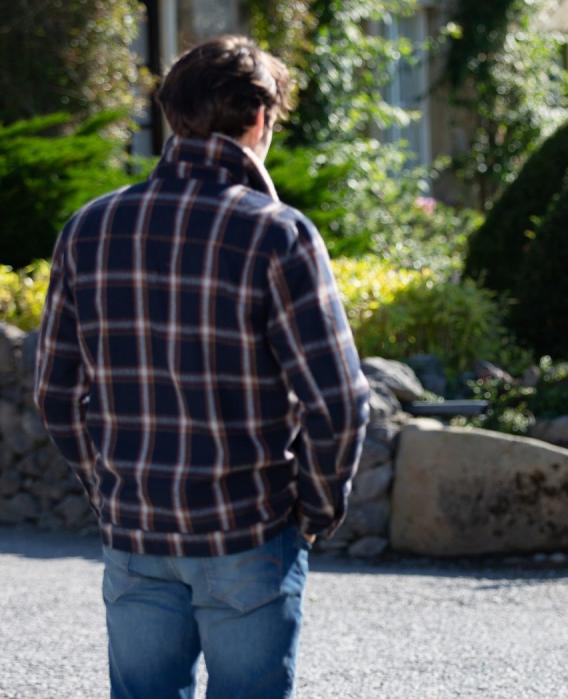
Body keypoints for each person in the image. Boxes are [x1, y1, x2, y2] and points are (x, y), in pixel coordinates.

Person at [34, 35, 370, 699]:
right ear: (259, 117)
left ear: (173, 116)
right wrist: (314, 509)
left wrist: (108, 486)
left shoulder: (88, 229)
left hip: (137, 527)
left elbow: (53, 393)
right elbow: (339, 402)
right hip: (250, 526)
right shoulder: (279, 234)